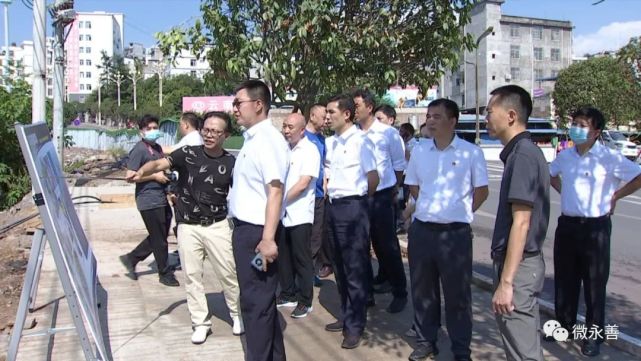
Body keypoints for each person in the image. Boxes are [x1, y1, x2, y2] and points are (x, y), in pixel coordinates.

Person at [128, 112, 244, 344]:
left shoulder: (231, 163)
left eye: (215, 131)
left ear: (227, 135)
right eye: (206, 130)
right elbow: (160, 162)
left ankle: (237, 313)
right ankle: (200, 323)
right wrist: (144, 171)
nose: (209, 134)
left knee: (229, 274)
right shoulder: (188, 153)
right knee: (192, 276)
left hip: (217, 226)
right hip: (188, 227)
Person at [549, 107, 641, 357]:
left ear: (596, 131)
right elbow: (550, 175)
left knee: (594, 284)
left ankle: (593, 336)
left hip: (595, 228)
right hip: (567, 226)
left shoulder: (609, 158)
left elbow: (638, 175)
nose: (576, 128)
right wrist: (565, 193)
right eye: (574, 123)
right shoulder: (565, 156)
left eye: (582, 124)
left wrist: (616, 196)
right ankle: (564, 325)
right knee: (565, 281)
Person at [404, 99, 489, 361]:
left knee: (457, 296)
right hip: (422, 232)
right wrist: (430, 207)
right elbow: (413, 186)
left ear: (452, 121)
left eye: (437, 117)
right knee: (422, 291)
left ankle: (461, 349)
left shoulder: (470, 152)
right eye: (429, 116)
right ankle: (426, 340)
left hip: (455, 236)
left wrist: (458, 211)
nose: (430, 121)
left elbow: (481, 191)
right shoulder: (419, 151)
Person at [485, 85, 550, 361]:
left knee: (523, 351)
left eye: (489, 112)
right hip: (520, 266)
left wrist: (507, 282)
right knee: (520, 344)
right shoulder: (520, 152)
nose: (485, 118)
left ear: (510, 115)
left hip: (519, 269)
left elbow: (521, 222)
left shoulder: (522, 155)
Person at [228, 80, 289, 361]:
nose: (234, 109)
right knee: (260, 302)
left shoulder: (268, 141)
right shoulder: (252, 139)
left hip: (258, 235)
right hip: (247, 232)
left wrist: (267, 239)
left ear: (258, 104)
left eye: (238, 103)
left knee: (256, 304)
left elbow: (275, 191)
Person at [323, 94, 379, 349]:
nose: (327, 116)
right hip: (333, 208)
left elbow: (373, 178)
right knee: (340, 268)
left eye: (331, 112)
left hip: (353, 208)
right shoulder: (331, 142)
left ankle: (355, 325)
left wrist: (359, 205)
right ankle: (346, 316)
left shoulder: (361, 141)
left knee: (355, 270)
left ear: (346, 114)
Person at [353, 89, 407, 313]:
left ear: (369, 106)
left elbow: (399, 166)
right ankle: (366, 295)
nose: (353, 109)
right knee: (359, 247)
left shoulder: (388, 133)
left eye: (356, 105)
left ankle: (400, 291)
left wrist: (392, 192)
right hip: (358, 197)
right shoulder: (353, 135)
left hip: (382, 197)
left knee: (387, 246)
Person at [120, 115, 179, 287]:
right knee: (160, 239)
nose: (153, 131)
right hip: (148, 199)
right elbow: (130, 177)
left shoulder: (157, 148)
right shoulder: (139, 150)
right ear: (141, 132)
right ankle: (165, 273)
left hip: (160, 197)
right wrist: (154, 176)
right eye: (149, 128)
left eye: (155, 127)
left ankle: (132, 258)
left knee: (159, 235)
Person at [276, 113, 321, 318]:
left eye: (290, 127)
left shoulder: (310, 150)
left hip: (300, 213)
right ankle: (288, 294)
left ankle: (305, 300)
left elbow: (303, 184)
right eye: (284, 126)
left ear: (302, 130)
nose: (286, 130)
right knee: (283, 255)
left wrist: (280, 201)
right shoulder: (283, 149)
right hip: (282, 214)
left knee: (301, 258)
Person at [304, 104, 333, 280]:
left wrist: (325, 187)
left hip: (319, 195)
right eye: (323, 117)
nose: (326, 121)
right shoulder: (301, 137)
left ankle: (312, 271)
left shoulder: (322, 140)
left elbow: (324, 166)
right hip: (302, 195)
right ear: (313, 116)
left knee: (317, 235)